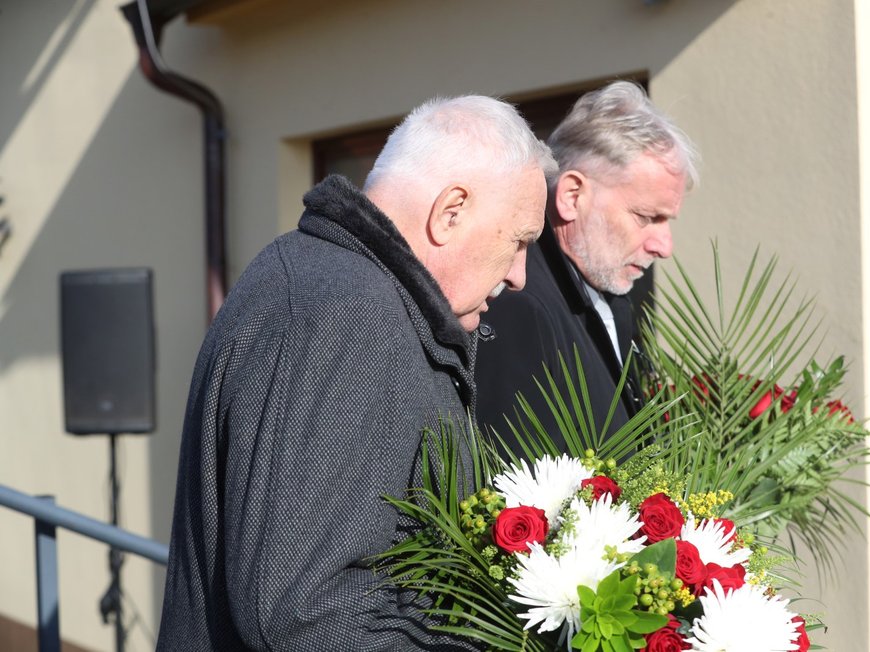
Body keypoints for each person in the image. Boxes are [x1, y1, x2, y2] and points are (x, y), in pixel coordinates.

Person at [156, 95, 554, 651]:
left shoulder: (343, 288)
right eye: (519, 241)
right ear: (451, 211)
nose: (519, 275)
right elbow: (303, 612)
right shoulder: (347, 311)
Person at [474, 81, 697, 452]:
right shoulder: (518, 305)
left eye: (667, 220)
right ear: (572, 196)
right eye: (646, 217)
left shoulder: (604, 293)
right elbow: (514, 498)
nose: (664, 246)